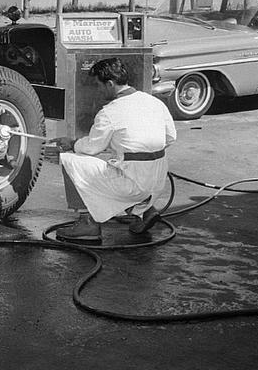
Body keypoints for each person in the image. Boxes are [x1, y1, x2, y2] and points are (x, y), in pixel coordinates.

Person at [56, 57, 177, 241]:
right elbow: (170, 137)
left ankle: (88, 223)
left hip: (133, 185)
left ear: (110, 84)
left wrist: (72, 143)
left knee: (71, 160)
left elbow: (91, 148)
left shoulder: (110, 112)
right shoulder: (154, 102)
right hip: (157, 182)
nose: (98, 90)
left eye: (99, 85)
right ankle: (143, 210)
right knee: (120, 165)